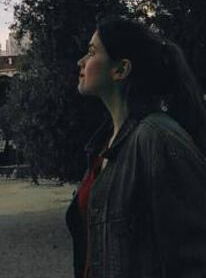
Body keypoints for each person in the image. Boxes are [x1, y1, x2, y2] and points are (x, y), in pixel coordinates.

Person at [65, 15, 206, 278]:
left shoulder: (158, 139)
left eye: (92, 52)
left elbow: (194, 256)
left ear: (121, 70)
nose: (81, 62)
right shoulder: (102, 145)